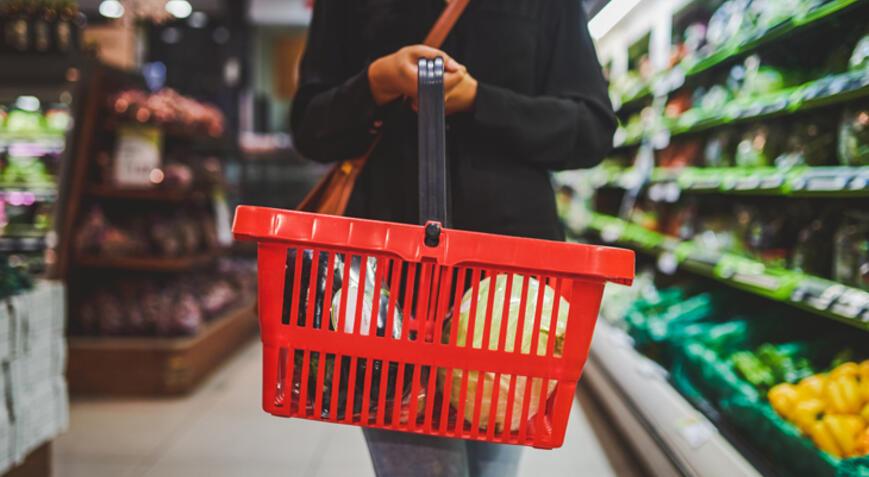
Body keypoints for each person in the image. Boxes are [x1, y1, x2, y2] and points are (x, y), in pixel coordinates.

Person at [290, 0, 615, 475]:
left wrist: (481, 101)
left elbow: (592, 129)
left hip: (514, 301)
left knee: (492, 469)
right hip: (389, 295)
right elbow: (309, 128)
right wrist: (375, 83)